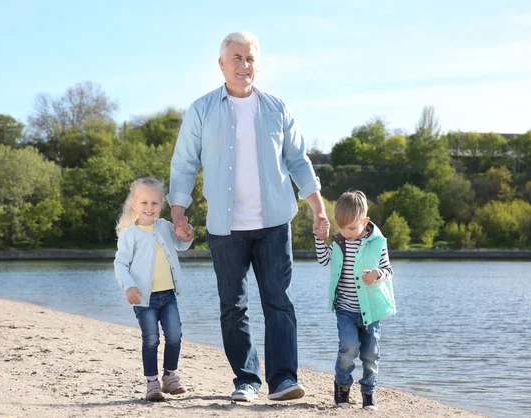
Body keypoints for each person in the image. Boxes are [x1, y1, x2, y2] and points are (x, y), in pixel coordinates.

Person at [168, 31, 330, 402]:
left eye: (251, 58)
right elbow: (184, 163)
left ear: (258, 63)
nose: (244, 65)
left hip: (274, 224)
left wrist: (318, 208)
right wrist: (179, 213)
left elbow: (298, 162)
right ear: (222, 64)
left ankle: (284, 379)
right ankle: (246, 379)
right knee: (233, 306)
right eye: (237, 58)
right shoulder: (202, 109)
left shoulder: (277, 108)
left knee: (279, 301)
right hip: (226, 229)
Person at [314, 190, 396, 411]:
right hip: (346, 309)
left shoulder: (378, 243)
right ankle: (342, 389)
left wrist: (377, 274)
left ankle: (368, 394)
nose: (346, 233)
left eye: (351, 228)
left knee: (371, 354)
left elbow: (389, 270)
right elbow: (323, 260)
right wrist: (320, 239)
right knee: (348, 348)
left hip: (371, 311)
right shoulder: (340, 243)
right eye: (342, 228)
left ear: (365, 221)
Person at [114, 178, 193, 402]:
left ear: (161, 205)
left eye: (155, 203)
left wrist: (188, 234)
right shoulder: (130, 235)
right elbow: (120, 264)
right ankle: (152, 383)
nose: (150, 208)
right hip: (143, 298)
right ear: (134, 205)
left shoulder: (165, 227)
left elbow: (181, 243)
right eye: (144, 203)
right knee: (150, 339)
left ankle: (170, 376)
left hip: (168, 296)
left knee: (175, 336)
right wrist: (128, 286)